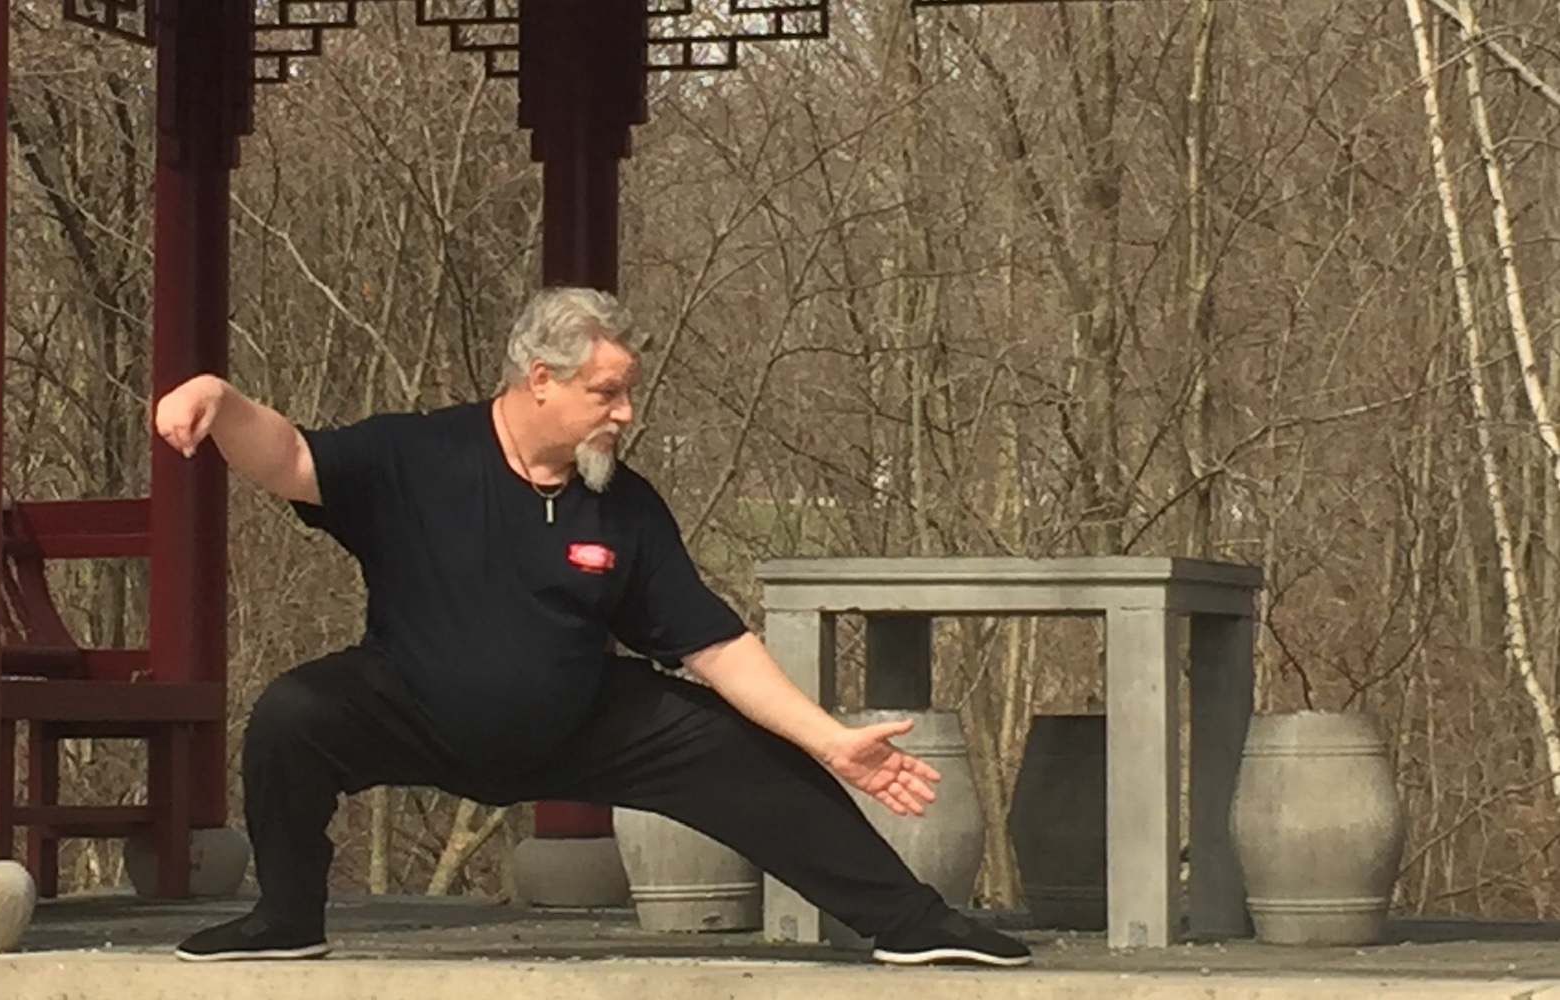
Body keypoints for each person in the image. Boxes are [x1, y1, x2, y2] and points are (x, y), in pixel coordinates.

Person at [153, 287, 1031, 968]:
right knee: (291, 715)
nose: (624, 413)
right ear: (541, 378)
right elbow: (295, 459)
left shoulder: (625, 505)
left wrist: (831, 741)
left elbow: (713, 644)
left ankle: (910, 923)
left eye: (627, 394)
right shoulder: (417, 457)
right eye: (605, 393)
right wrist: (219, 400)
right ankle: (286, 918)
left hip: (584, 726)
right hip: (414, 707)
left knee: (745, 751)